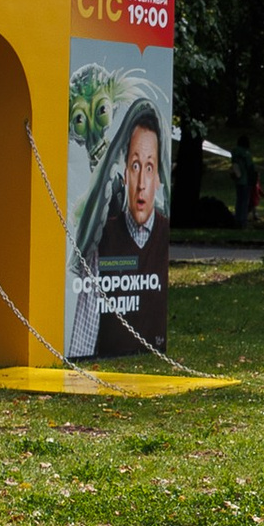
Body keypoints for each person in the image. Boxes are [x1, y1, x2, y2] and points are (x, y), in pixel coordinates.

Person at [89, 107, 171, 360]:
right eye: (135, 166)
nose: (142, 184)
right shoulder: (102, 237)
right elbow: (83, 339)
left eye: (150, 167)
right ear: (125, 174)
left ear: (158, 178)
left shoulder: (164, 234)